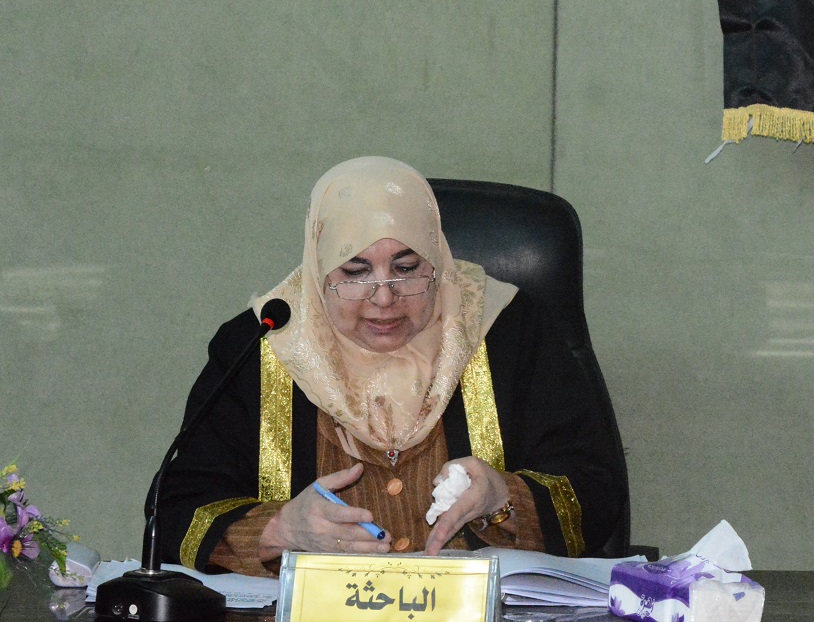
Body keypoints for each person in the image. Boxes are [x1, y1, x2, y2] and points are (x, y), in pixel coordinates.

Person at [155, 157, 624, 575]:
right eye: (355, 272)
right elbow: (176, 509)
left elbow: (595, 489)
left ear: (437, 260)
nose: (384, 298)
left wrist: (503, 498)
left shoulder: (507, 330)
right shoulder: (264, 341)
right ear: (319, 267)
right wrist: (280, 529)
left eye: (406, 268)